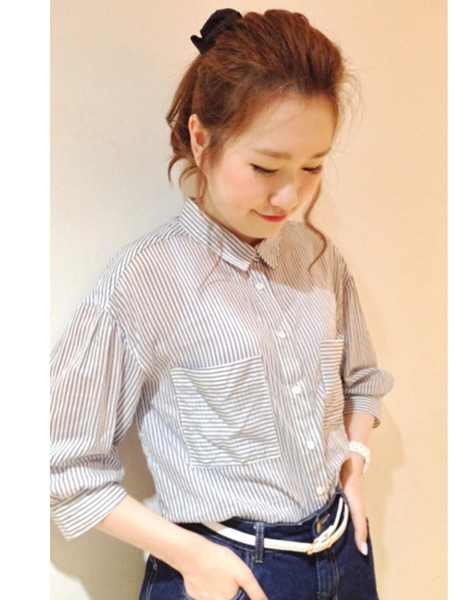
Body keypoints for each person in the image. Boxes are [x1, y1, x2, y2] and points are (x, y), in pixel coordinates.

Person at [50, 8, 394, 600]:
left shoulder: (318, 258)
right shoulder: (145, 281)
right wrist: (192, 556)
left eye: (313, 166)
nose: (289, 195)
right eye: (265, 166)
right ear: (201, 139)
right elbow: (60, 460)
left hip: (346, 557)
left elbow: (362, 382)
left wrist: (353, 470)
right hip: (226, 573)